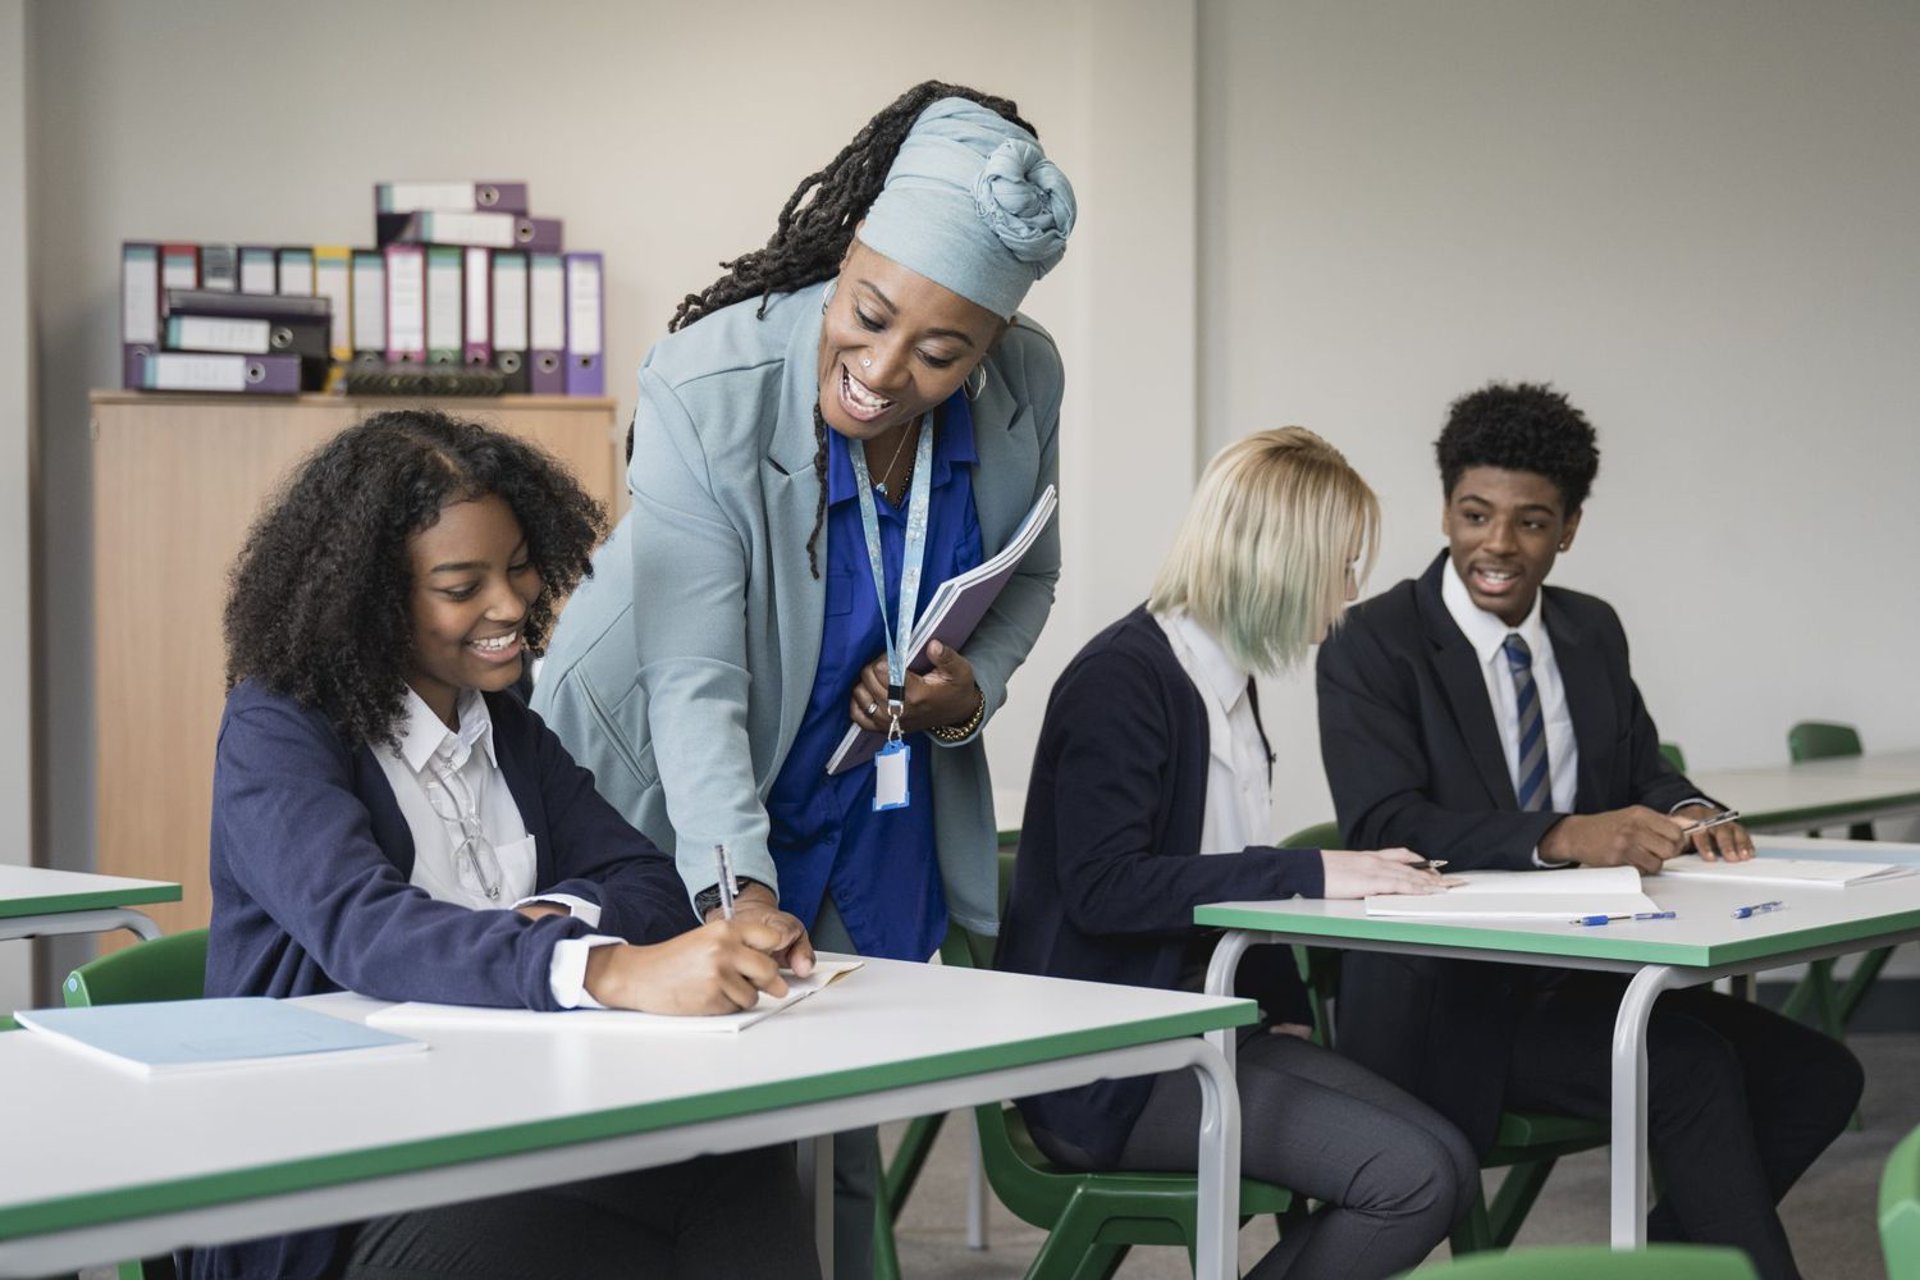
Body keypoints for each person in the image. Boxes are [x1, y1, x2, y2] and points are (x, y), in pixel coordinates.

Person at [531, 82, 1075, 1276]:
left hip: (851, 783)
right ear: (845, 257)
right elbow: (692, 678)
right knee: (660, 1133)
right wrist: (733, 891)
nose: (883, 368)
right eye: (866, 313)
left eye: (941, 351)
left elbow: (1027, 574)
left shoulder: (1026, 385)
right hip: (650, 776)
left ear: (986, 348)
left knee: (832, 1107)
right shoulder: (707, 383)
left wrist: (964, 685)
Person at [203, 409, 819, 1280]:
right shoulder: (278, 728)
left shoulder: (508, 728)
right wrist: (602, 966)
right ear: (373, 599)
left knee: (737, 1158)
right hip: (338, 1170)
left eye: (521, 567)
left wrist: (549, 921)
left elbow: (640, 877)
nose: (511, 604)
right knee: (570, 1229)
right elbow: (363, 928)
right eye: (463, 586)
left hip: (507, 1116)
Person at [1316, 382, 1863, 1279]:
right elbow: (1385, 822)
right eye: (1475, 513)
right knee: (1689, 1069)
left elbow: (1641, 771)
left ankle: (1669, 1264)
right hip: (1454, 1003)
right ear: (1447, 507)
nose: (1497, 544)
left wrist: (1691, 811)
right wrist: (1565, 834)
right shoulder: (1374, 642)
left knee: (1822, 1076)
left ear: (1568, 528)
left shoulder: (1589, 629)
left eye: (1530, 522)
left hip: (1595, 971)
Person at [996, 428, 1476, 1280]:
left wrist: (1276, 994)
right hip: (1109, 1067)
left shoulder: (1228, 682)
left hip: (1205, 1025)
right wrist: (1315, 870)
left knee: (1451, 1158)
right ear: (1281, 563)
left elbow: (1225, 865)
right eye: (1340, 565)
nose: (1350, 591)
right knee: (1410, 1179)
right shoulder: (1125, 681)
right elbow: (1107, 889)